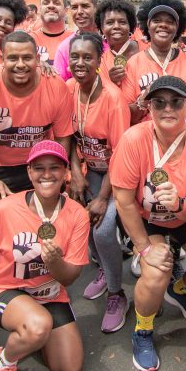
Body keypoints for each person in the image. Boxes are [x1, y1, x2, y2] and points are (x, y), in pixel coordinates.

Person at [0, 140, 89, 371]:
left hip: (49, 292)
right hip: (2, 289)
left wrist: (54, 263)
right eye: (39, 168)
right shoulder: (4, 210)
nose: (47, 174)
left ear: (66, 173)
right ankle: (4, 366)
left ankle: (32, 337)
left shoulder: (77, 214)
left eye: (54, 168)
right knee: (38, 324)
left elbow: (69, 278)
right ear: (29, 173)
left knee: (69, 368)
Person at [109, 75, 186, 371]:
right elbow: (123, 200)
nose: (167, 108)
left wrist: (181, 204)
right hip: (147, 220)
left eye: (176, 102)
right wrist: (144, 249)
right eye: (159, 102)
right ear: (149, 107)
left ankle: (181, 289)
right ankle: (143, 330)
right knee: (157, 271)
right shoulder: (133, 139)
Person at [0, 31, 73, 210]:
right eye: (13, 58)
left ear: (37, 58)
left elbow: (62, 138)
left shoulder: (56, 87)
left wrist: (56, 174)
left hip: (39, 164)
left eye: (27, 58)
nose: (20, 65)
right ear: (1, 59)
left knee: (37, 228)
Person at [65, 33, 132, 332]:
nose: (80, 62)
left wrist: (103, 197)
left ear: (99, 60)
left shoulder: (114, 100)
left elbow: (119, 153)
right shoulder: (67, 89)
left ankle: (118, 294)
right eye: (75, 56)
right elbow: (65, 134)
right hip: (86, 169)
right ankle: (106, 270)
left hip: (115, 175)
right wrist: (75, 174)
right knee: (84, 221)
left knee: (104, 230)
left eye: (87, 57)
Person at [122, 0, 186, 127]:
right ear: (148, 25)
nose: (163, 25)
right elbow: (127, 117)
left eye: (170, 22)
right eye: (157, 20)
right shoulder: (133, 64)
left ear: (177, 27)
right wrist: (144, 99)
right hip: (149, 143)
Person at [96, 0, 140, 93]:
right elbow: (100, 95)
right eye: (109, 22)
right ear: (101, 29)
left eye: (122, 22)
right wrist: (110, 82)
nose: (116, 26)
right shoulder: (101, 61)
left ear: (130, 26)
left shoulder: (145, 49)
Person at [53, 0, 99, 79]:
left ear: (96, 8)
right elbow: (60, 85)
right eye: (74, 7)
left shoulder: (111, 42)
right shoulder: (65, 48)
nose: (79, 12)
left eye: (85, 6)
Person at [32, 0, 69, 67]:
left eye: (56, 3)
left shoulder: (76, 39)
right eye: (46, 3)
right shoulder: (28, 39)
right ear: (40, 9)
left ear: (66, 10)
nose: (51, 5)